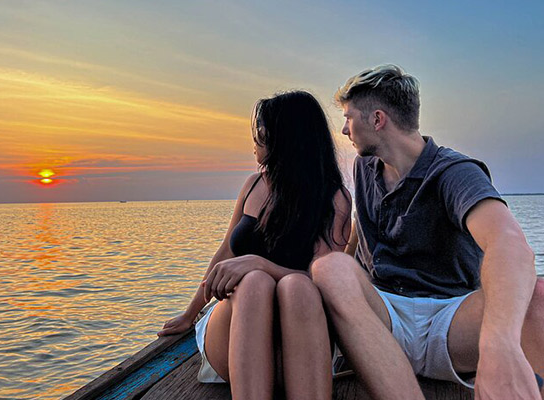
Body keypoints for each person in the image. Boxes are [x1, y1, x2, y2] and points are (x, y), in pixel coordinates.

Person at [311, 64, 544, 400]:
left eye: (349, 117)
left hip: (453, 321)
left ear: (377, 120)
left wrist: (500, 346)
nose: (345, 130)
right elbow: (357, 237)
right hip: (385, 318)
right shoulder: (365, 167)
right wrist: (335, 283)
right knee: (329, 267)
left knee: (536, 296)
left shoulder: (454, 173)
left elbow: (509, 245)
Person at [158, 90, 352, 400]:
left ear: (286, 138)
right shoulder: (253, 186)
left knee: (293, 286)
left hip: (300, 342)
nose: (255, 142)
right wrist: (189, 312)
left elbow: (325, 282)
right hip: (237, 335)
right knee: (254, 284)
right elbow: (225, 253)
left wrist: (259, 263)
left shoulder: (334, 198)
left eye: (261, 132)